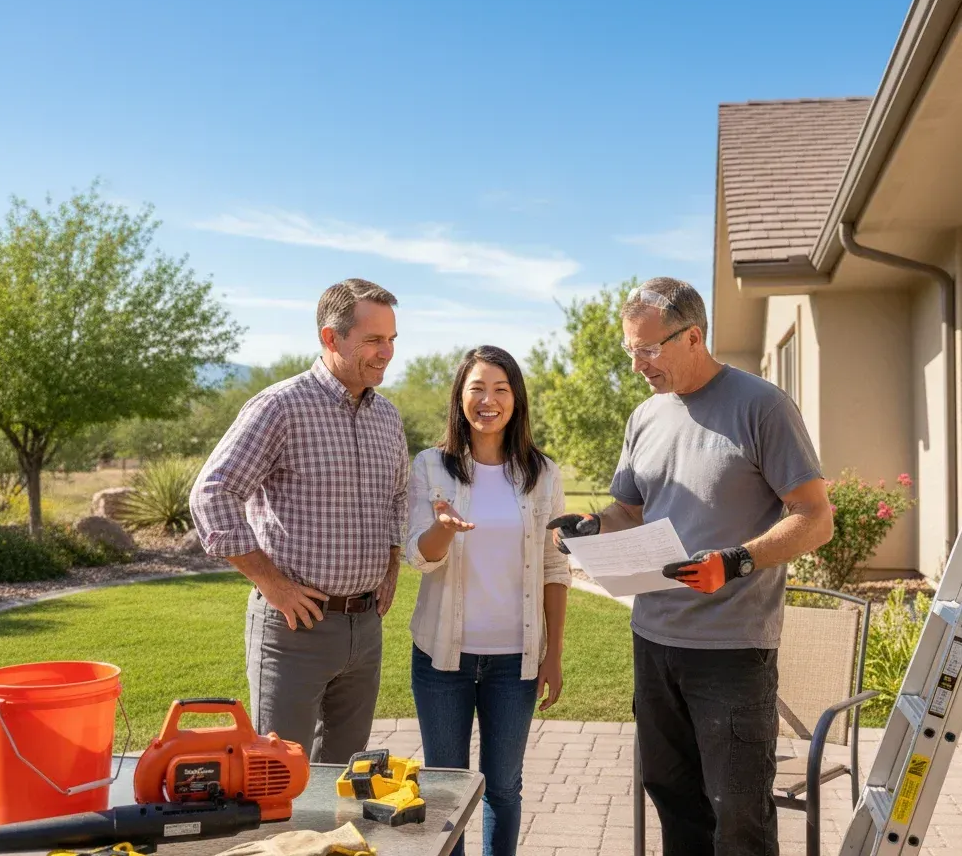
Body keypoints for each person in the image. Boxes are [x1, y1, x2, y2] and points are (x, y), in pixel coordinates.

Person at [547, 277, 834, 856]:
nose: (637, 364)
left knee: (739, 819)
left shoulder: (762, 405)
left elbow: (815, 517)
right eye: (631, 350)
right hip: (653, 641)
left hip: (731, 651)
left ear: (694, 336)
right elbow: (629, 511)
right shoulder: (646, 417)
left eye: (648, 349)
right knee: (673, 798)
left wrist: (736, 561)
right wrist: (589, 527)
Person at [189, 278, 409, 766]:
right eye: (374, 339)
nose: (387, 352)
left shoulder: (387, 418)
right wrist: (274, 586)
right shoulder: (279, 407)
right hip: (294, 630)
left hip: (365, 629)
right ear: (332, 338)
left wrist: (391, 566)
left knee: (345, 778)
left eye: (392, 339)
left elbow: (398, 499)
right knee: (276, 776)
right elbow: (212, 495)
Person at [404, 345, 571, 856]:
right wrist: (442, 528)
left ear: (516, 400)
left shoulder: (543, 473)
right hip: (441, 660)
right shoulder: (431, 466)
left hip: (514, 664)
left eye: (501, 389)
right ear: (460, 397)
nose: (488, 400)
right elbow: (419, 556)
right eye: (477, 388)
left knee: (503, 787)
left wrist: (554, 653)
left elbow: (554, 566)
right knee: (444, 790)